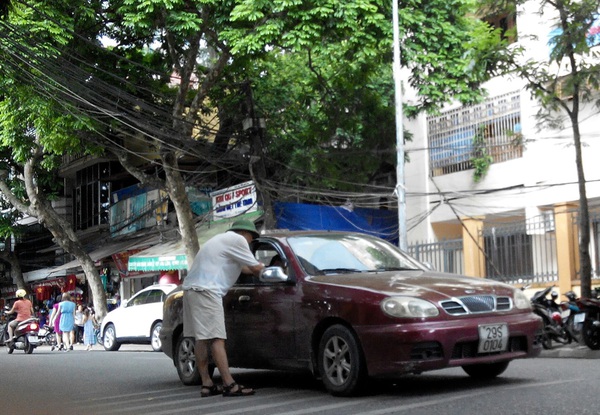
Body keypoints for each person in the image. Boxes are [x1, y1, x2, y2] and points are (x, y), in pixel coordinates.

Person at [182, 219, 264, 397]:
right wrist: (273, 269)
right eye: (251, 238)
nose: (250, 243)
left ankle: (207, 384)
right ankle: (229, 384)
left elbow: (244, 269)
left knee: (201, 338)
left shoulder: (220, 240)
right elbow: (256, 268)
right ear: (245, 234)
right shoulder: (238, 240)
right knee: (217, 338)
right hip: (207, 290)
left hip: (191, 289)